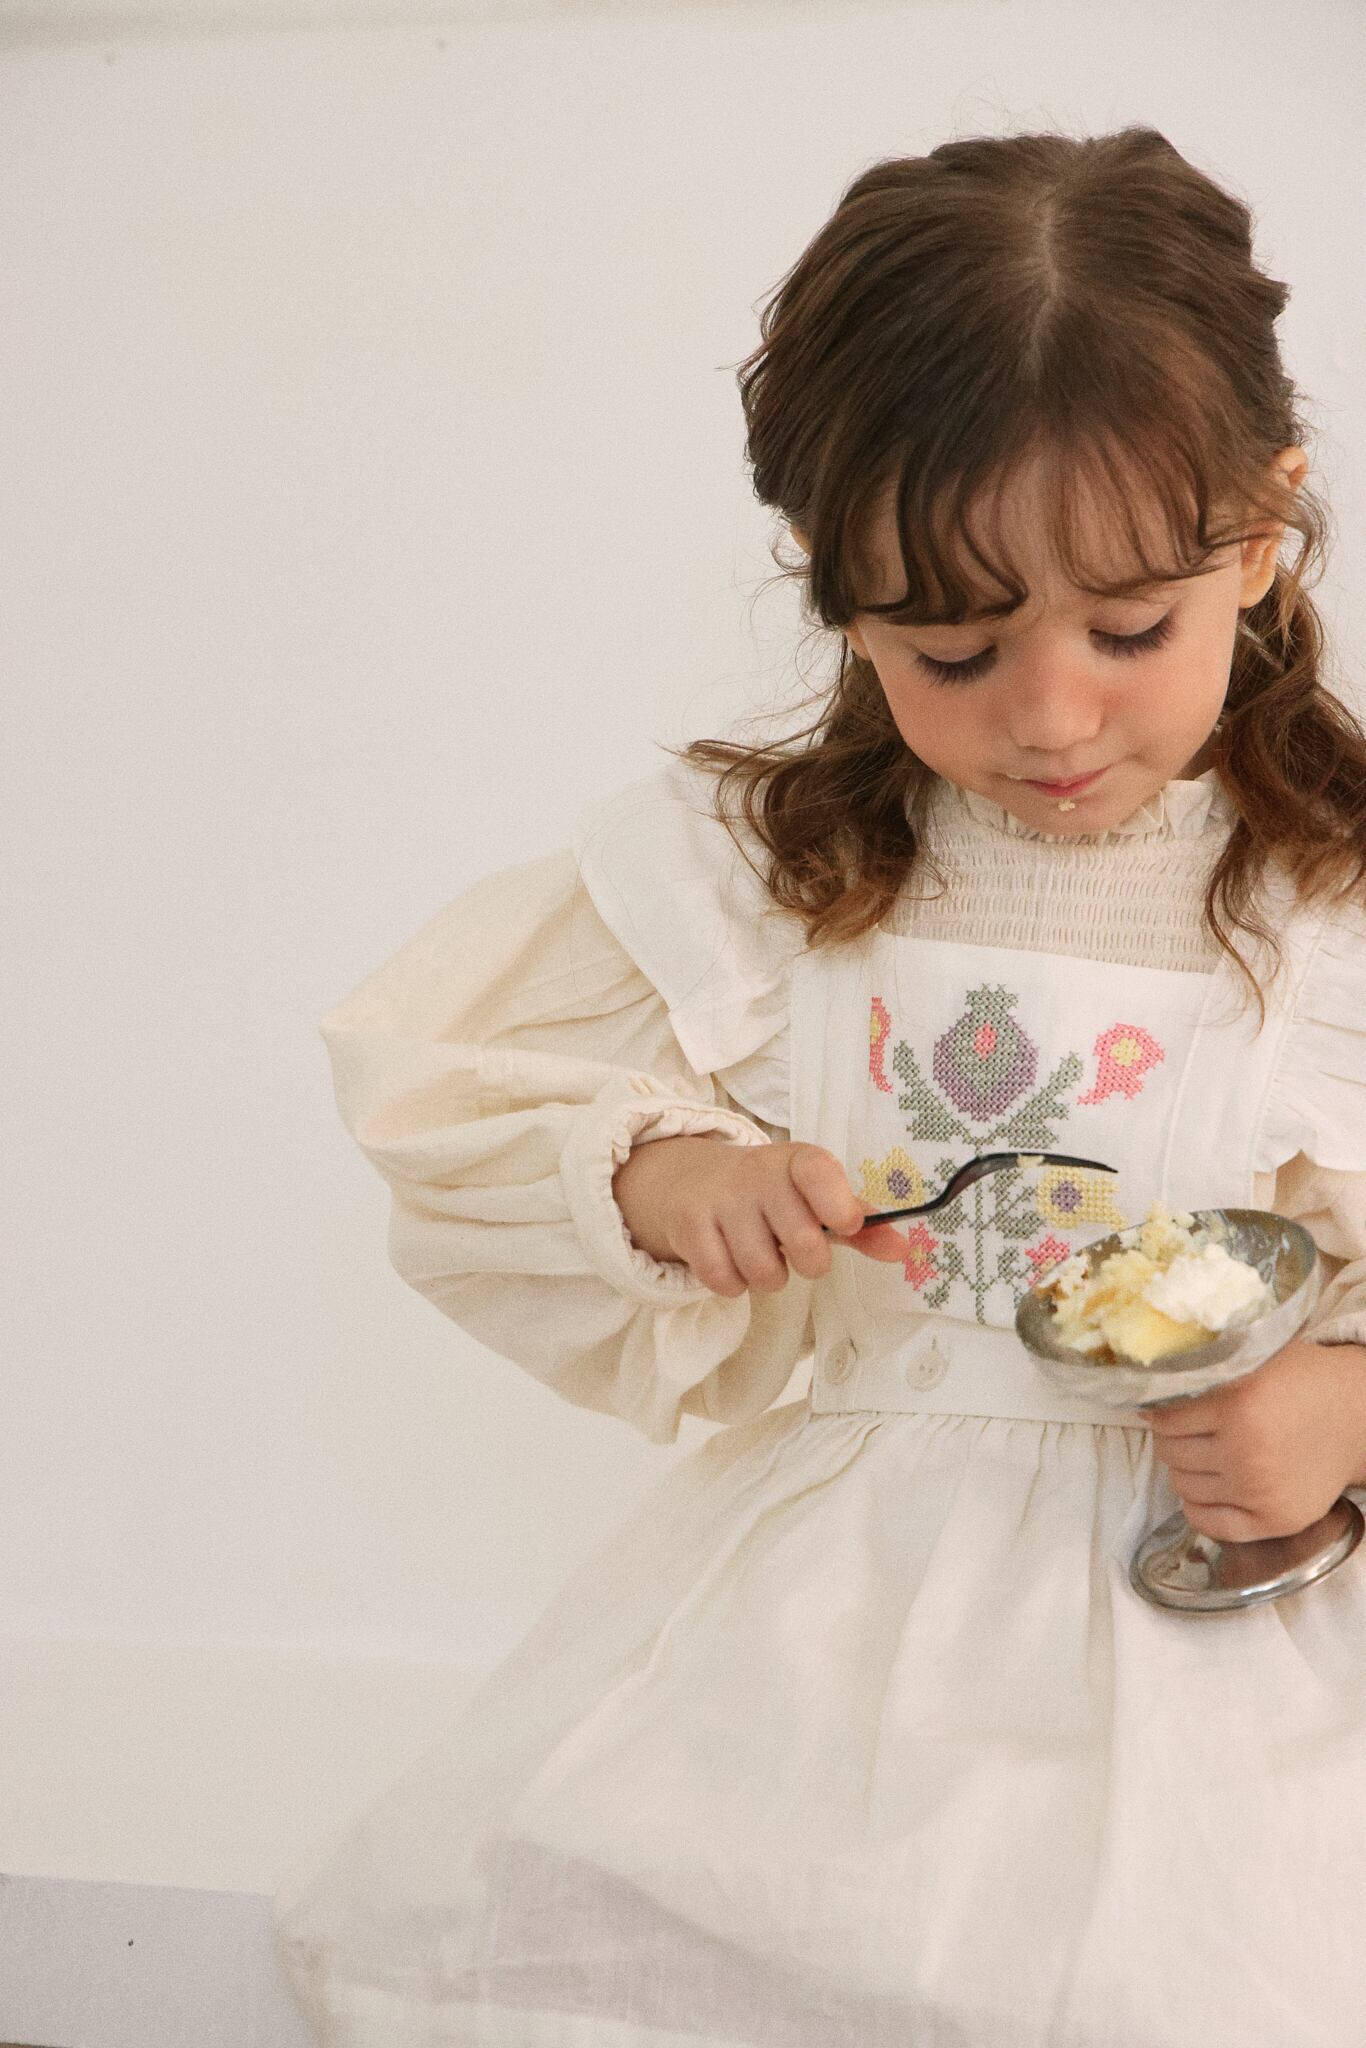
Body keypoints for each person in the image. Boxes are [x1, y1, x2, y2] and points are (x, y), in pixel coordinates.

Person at [272, 127, 1366, 2046]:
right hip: (831, 1626)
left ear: (1263, 528)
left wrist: (1340, 1413)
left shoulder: (1328, 907)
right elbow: (458, 1094)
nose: (1047, 716)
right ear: (834, 592)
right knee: (578, 1932)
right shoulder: (769, 877)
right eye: (951, 648)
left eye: (1129, 630)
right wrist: (669, 1174)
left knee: (1185, 1984)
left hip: (1229, 1623)